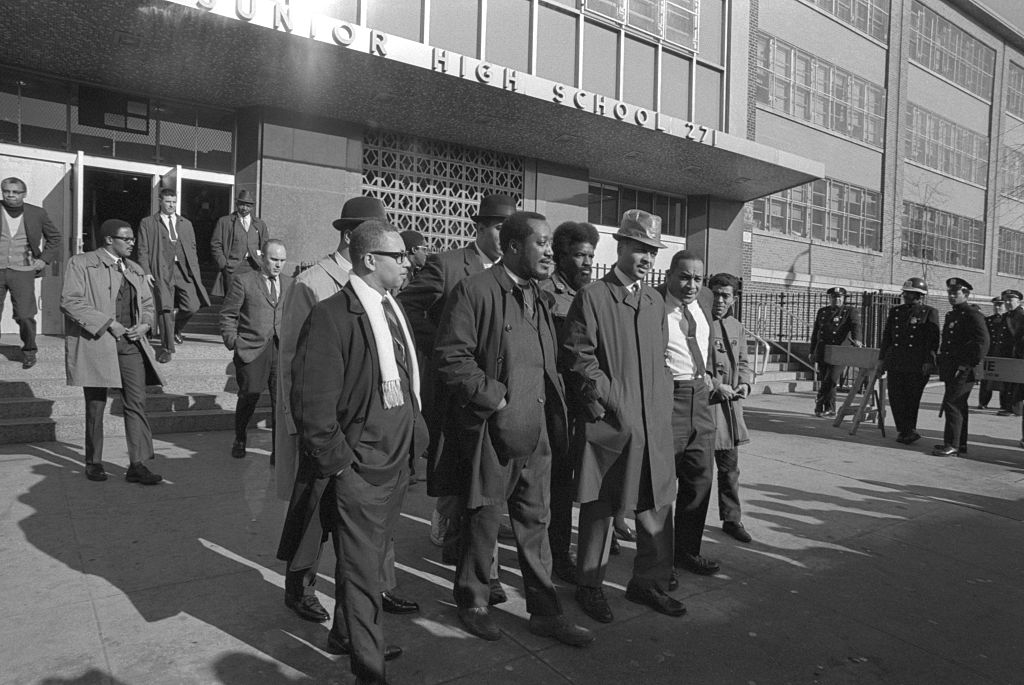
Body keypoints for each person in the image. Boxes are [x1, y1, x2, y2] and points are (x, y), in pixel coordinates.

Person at [434, 211, 593, 648]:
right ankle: (474, 603)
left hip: (538, 431)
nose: (549, 251)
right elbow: (451, 356)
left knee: (535, 522)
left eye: (548, 243)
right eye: (540, 243)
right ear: (513, 247)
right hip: (493, 431)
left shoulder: (541, 295)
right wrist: (494, 397)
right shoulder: (476, 290)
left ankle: (545, 612)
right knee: (482, 520)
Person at [283, 220, 426, 685]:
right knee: (365, 574)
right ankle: (369, 666)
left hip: (394, 464)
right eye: (398, 256)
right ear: (370, 260)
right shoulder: (331, 315)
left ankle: (345, 634)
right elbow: (312, 406)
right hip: (359, 472)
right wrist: (344, 467)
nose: (408, 263)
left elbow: (405, 385)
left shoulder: (391, 310)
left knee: (364, 565)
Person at [559, 209, 681, 624]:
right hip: (613, 422)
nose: (647, 257)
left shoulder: (653, 302)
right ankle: (589, 585)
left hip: (653, 422)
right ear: (621, 246)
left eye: (652, 251)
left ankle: (648, 581)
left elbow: (663, 360)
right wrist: (614, 405)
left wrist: (660, 403)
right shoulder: (593, 297)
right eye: (640, 248)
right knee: (601, 505)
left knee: (656, 502)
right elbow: (578, 358)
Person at [398, 193, 515, 592]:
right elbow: (407, 308)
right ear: (479, 228)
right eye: (498, 228)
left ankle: (482, 560)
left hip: (496, 392)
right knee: (457, 474)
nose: (503, 236)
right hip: (454, 391)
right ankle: (452, 531)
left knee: (487, 478)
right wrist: (444, 343)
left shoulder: (514, 272)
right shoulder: (448, 266)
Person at [60, 219, 163, 485]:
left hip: (131, 345)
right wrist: (108, 324)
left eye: (132, 239)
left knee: (136, 402)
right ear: (108, 240)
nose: (132, 243)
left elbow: (149, 303)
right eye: (126, 239)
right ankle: (93, 462)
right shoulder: (81, 263)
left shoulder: (135, 269)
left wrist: (146, 324)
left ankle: (137, 464)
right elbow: (70, 301)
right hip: (97, 343)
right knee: (95, 405)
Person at [540, 220, 599, 584]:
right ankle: (556, 554)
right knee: (554, 483)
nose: (587, 262)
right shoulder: (546, 291)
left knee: (571, 480)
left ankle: (562, 545)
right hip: (550, 400)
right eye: (579, 255)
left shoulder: (590, 295)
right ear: (562, 256)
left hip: (578, 403)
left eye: (591, 255)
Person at [659, 250, 720, 576]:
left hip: (701, 398)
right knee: (663, 485)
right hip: (671, 399)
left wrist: (709, 372)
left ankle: (687, 551)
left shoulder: (705, 302)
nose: (691, 284)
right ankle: (659, 560)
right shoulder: (654, 305)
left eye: (697, 278)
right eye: (684, 276)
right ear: (669, 275)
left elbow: (706, 342)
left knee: (700, 479)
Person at [219, 239, 289, 462]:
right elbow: (228, 314)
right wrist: (233, 341)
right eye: (274, 259)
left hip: (280, 349)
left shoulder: (291, 283)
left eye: (282, 260)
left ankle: (278, 450)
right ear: (262, 258)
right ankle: (240, 438)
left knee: (280, 403)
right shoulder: (244, 281)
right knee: (249, 396)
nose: (278, 265)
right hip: (252, 349)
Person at [706, 272, 755, 544]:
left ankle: (732, 519)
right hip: (704, 408)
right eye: (716, 293)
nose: (720, 300)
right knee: (696, 475)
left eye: (726, 295)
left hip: (730, 413)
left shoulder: (737, 326)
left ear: (734, 299)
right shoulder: (698, 321)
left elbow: (745, 361)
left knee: (729, 470)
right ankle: (686, 522)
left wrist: (745, 384)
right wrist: (715, 384)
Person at [136, 187, 211, 363]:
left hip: (184, 270)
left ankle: (175, 328)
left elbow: (193, 249)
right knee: (165, 308)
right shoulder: (148, 223)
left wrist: (195, 272)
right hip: (161, 270)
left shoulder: (186, 223)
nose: (171, 205)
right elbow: (142, 250)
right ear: (160, 202)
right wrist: (146, 271)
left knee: (192, 305)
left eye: (174, 202)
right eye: (168, 202)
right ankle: (167, 348)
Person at [1, 176, 61, 369]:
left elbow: (55, 238)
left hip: (23, 270)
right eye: (6, 191)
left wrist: (43, 260)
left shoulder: (37, 213)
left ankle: (29, 350)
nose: (10, 195)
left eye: (15, 192)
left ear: (24, 194)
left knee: (25, 315)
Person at [878, 277, 940, 445]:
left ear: (919, 295)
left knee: (911, 398)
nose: (905, 296)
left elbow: (933, 341)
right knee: (896, 397)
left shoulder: (929, 312)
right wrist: (882, 359)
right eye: (905, 293)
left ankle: (909, 430)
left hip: (917, 364)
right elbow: (887, 337)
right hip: (896, 362)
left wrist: (929, 360)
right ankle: (904, 430)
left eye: (909, 293)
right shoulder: (896, 312)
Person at [932, 277, 989, 457]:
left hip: (965, 368)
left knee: (952, 404)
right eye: (949, 293)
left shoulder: (972, 314)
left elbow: (982, 342)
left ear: (965, 294)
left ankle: (952, 444)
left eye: (955, 293)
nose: (951, 296)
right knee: (958, 405)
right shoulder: (952, 314)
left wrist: (969, 364)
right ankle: (959, 443)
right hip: (952, 367)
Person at [810, 286, 863, 417]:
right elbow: (816, 332)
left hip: (840, 351)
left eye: (839, 297)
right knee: (825, 379)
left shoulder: (849, 311)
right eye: (833, 297)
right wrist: (812, 350)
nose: (836, 300)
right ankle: (830, 408)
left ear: (844, 298)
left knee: (832, 378)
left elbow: (856, 325)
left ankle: (819, 401)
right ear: (830, 298)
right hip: (824, 350)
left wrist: (857, 339)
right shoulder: (823, 311)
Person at [210, 189, 270, 297]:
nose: (244, 208)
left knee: (251, 300)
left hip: (254, 267)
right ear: (237, 204)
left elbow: (266, 246)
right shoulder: (225, 222)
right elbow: (216, 244)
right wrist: (224, 263)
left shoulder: (260, 224)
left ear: (252, 207)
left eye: (248, 205)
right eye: (242, 204)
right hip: (233, 267)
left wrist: (262, 263)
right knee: (233, 301)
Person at [978, 297, 1009, 411]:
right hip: (991, 353)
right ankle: (983, 402)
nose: (997, 307)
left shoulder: (1008, 320)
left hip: (1003, 354)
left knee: (1004, 379)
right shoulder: (988, 320)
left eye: (1000, 305)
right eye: (995, 305)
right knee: (986, 379)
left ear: (1004, 306)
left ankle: (1004, 404)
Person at [997, 289, 1024, 417]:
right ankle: (1008, 407)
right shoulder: (1007, 315)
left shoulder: (1021, 316)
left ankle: (1016, 409)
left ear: (1019, 301)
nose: (1007, 302)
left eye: (1011, 300)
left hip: (1017, 355)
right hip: (1006, 354)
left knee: (1016, 383)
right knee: (1007, 382)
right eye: (1006, 300)